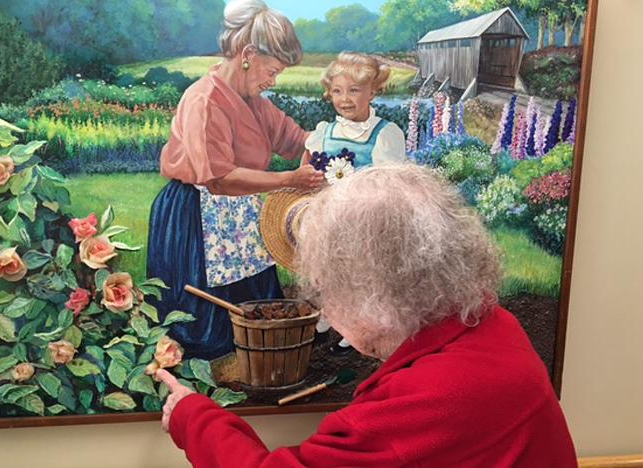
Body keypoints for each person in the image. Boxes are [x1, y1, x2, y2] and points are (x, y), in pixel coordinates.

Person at [156, 164, 578, 467]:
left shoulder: (426, 402)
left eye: (323, 288)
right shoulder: (494, 324)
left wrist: (193, 416)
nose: (322, 304)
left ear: (372, 298)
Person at [146, 0, 325, 360]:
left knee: (256, 310)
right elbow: (219, 179)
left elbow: (293, 138)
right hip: (194, 215)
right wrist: (288, 179)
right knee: (207, 333)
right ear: (247, 54)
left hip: (238, 214)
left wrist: (326, 143)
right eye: (271, 70)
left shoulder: (254, 101)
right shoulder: (204, 100)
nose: (272, 81)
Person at [306, 52, 408, 354]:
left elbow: (390, 182)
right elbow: (310, 167)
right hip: (328, 214)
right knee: (329, 268)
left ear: (372, 92)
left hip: (366, 217)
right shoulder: (325, 131)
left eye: (354, 91)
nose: (345, 99)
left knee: (362, 271)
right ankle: (329, 315)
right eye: (337, 91)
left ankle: (358, 326)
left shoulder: (384, 133)